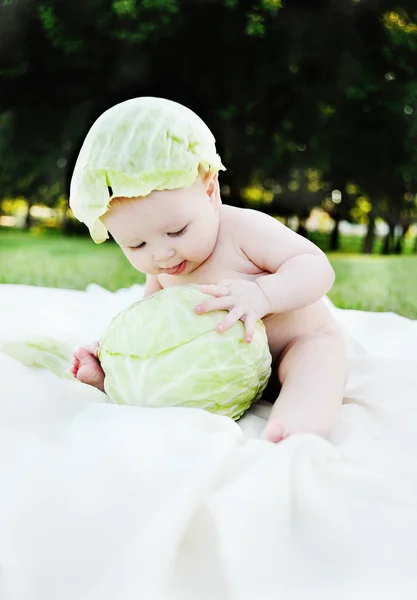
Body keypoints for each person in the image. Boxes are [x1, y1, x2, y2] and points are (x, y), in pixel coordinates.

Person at [70, 97, 348, 443]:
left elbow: (317, 269)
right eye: (136, 245)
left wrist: (264, 294)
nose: (162, 253)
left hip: (293, 345)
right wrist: (115, 361)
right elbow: (151, 328)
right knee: (162, 382)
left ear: (210, 191)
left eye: (177, 231)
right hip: (233, 374)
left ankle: (296, 428)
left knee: (318, 362)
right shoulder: (163, 266)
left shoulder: (243, 230)